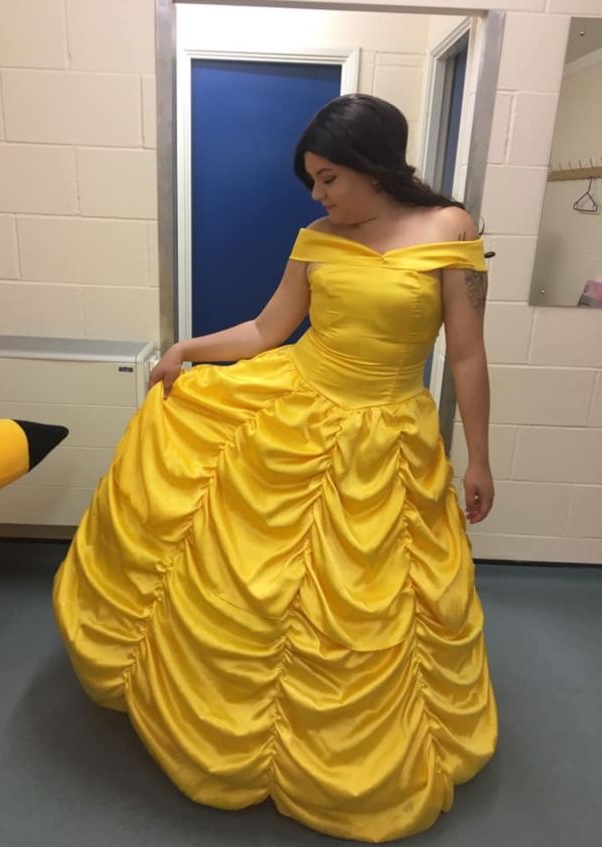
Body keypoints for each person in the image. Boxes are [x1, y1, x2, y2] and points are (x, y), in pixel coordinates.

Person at [53, 93, 498, 844]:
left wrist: (478, 455)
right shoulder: (317, 238)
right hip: (295, 403)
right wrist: (187, 349)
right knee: (245, 572)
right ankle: (218, 710)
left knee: (372, 600)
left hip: (389, 434)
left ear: (373, 166)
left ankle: (348, 745)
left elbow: (467, 355)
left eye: (329, 179)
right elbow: (267, 329)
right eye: (313, 181)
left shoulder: (450, 228)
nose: (318, 196)